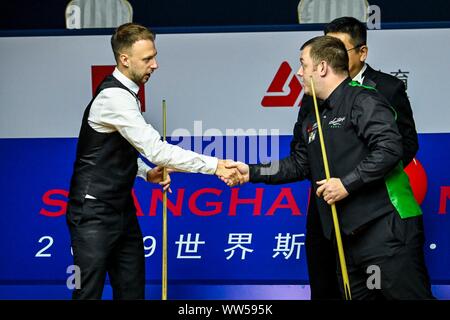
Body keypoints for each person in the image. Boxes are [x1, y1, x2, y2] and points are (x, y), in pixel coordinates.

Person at [225, 35, 434, 299]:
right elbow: (300, 164)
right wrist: (252, 172)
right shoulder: (312, 114)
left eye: (302, 64)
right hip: (348, 240)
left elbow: (390, 148)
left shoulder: (363, 100)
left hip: (384, 231)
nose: (299, 73)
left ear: (322, 67)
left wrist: (346, 184)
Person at [66, 23, 239, 300]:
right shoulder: (113, 97)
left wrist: (148, 174)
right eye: (147, 58)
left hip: (121, 210)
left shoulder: (126, 95)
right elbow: (157, 151)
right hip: (91, 214)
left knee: (132, 293)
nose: (155, 64)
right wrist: (216, 165)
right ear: (124, 60)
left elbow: (112, 153)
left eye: (154, 56)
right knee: (86, 294)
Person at [289, 16, 420, 299]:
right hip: (329, 207)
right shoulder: (311, 97)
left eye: (338, 46)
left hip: (375, 210)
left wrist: (355, 181)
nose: (330, 51)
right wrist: (250, 171)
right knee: (331, 287)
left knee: (396, 291)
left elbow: (400, 146)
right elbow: (301, 157)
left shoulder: (384, 90)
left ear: (362, 52)